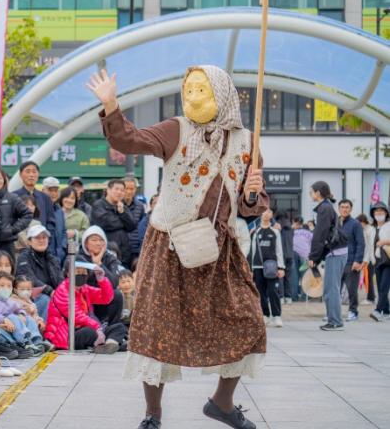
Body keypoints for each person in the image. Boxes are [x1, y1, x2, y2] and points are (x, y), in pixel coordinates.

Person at [89, 65, 268, 429]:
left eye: (202, 91)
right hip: (169, 245)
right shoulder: (176, 129)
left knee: (248, 321)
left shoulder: (248, 142)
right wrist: (110, 105)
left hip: (221, 251)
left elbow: (252, 206)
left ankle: (222, 403)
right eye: (189, 91)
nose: (193, 98)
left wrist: (252, 193)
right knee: (157, 327)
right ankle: (152, 414)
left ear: (223, 95)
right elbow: (130, 140)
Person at [44, 259, 125, 353]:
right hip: (66, 337)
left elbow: (106, 298)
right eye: (78, 271)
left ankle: (109, 345)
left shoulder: (84, 288)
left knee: (118, 327)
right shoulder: (62, 290)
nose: (81, 275)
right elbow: (76, 316)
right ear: (68, 273)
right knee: (89, 331)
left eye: (84, 272)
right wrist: (97, 328)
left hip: (82, 329)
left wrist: (102, 280)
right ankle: (111, 343)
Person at [308, 181, 347, 331]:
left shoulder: (324, 208)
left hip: (335, 253)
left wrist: (313, 257)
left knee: (331, 289)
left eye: (311, 192)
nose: (310, 195)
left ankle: (336, 322)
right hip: (336, 252)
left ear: (318, 193)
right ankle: (334, 320)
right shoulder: (326, 207)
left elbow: (320, 234)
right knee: (330, 288)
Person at [0, 272, 46, 356]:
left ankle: (37, 342)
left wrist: (21, 314)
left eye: (9, 286)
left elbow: (19, 309)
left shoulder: (8, 300)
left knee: (28, 318)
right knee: (11, 317)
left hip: (12, 330)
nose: (6, 288)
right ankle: (24, 343)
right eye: (2, 285)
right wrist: (3, 319)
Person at [77, 225, 124, 327]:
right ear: (85, 243)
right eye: (94, 240)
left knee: (117, 294)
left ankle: (113, 327)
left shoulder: (109, 257)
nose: (98, 243)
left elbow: (114, 283)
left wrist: (99, 264)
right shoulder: (78, 258)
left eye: (101, 240)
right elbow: (80, 282)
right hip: (86, 297)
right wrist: (93, 268)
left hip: (103, 298)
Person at [16, 224, 64, 321]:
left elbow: (60, 280)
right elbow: (29, 279)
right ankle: (44, 329)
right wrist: (50, 291)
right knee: (45, 300)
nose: (41, 240)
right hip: (31, 297)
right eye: (37, 238)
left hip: (53, 296)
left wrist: (62, 293)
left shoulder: (53, 259)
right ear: (29, 241)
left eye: (44, 237)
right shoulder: (23, 257)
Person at [249, 209, 286, 327]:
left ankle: (277, 316)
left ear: (271, 215)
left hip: (272, 266)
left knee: (273, 291)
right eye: (264, 211)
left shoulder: (275, 231)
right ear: (260, 214)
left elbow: (279, 250)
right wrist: (251, 268)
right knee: (260, 292)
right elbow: (252, 251)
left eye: (269, 212)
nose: (266, 213)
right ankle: (265, 315)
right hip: (257, 266)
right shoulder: (255, 231)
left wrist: (281, 267)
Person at [91, 179, 136, 268]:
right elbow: (107, 223)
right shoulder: (98, 205)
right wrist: (123, 221)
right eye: (116, 189)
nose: (119, 192)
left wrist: (122, 213)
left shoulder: (122, 207)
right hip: (106, 252)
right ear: (108, 190)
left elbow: (132, 225)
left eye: (122, 190)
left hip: (124, 253)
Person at [0, 167, 32, 257]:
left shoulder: (12, 198)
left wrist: (12, 230)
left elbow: (28, 215)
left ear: (4, 180)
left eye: (0, 178)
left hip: (6, 242)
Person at [338, 199, 365, 322]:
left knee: (351, 289)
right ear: (339, 209)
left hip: (351, 262)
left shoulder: (355, 224)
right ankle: (334, 312)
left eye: (347, 207)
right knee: (335, 289)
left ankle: (353, 312)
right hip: (337, 261)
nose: (344, 209)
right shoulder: (336, 223)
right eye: (342, 207)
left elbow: (361, 243)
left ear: (351, 209)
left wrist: (358, 260)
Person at [13, 161, 56, 236]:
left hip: (42, 239)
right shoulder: (13, 196)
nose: (31, 175)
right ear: (20, 175)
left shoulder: (45, 198)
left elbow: (51, 222)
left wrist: (46, 237)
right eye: (28, 172)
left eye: (34, 172)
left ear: (38, 175)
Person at [370, 202, 390, 322]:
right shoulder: (372, 229)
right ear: (373, 214)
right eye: (376, 211)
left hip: (388, 261)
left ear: (386, 213)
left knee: (384, 287)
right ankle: (387, 312)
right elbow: (370, 246)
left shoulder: (389, 225)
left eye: (382, 211)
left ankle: (378, 310)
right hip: (377, 261)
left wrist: (384, 242)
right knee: (380, 287)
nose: (379, 213)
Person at [42, 176, 68, 264]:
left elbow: (64, 231)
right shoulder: (39, 209)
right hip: (44, 254)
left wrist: (63, 248)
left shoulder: (59, 210)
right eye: (50, 190)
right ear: (43, 190)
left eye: (56, 190)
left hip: (59, 256)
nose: (53, 193)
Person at [124, 177, 147, 265]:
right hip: (122, 247)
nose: (129, 191)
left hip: (136, 248)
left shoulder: (140, 206)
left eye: (132, 189)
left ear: (135, 190)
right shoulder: (117, 205)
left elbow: (141, 226)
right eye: (126, 188)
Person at [275, 211, 296, 304]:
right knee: (288, 277)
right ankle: (289, 297)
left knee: (280, 276)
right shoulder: (291, 228)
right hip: (290, 254)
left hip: (281, 254)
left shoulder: (277, 227)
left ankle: (281, 297)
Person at [357, 213, 377, 305]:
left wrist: (366, 260)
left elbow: (370, 246)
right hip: (367, 258)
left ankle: (371, 298)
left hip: (371, 258)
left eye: (359, 223)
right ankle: (372, 297)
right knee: (366, 278)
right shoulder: (364, 230)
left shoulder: (370, 230)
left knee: (368, 278)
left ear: (363, 222)